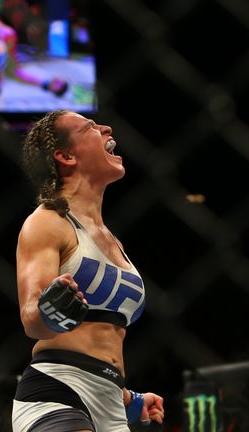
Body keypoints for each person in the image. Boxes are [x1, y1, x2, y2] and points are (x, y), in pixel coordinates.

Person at [11, 109, 165, 431]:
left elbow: (104, 337)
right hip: (57, 389)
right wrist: (49, 310)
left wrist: (130, 399)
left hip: (111, 400)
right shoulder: (48, 222)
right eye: (90, 128)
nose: (107, 127)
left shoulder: (113, 241)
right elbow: (32, 320)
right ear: (65, 156)